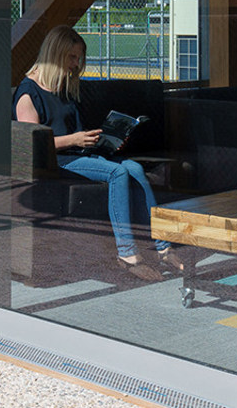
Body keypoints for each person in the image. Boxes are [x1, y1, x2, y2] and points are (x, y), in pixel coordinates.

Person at [13, 25, 186, 281]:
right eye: (71, 58)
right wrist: (75, 139)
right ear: (56, 54)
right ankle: (127, 254)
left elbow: (78, 134)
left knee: (135, 168)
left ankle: (163, 248)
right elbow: (32, 144)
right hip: (59, 161)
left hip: (81, 153)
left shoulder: (63, 87)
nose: (76, 64)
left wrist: (104, 141)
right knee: (117, 172)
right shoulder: (28, 93)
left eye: (78, 59)